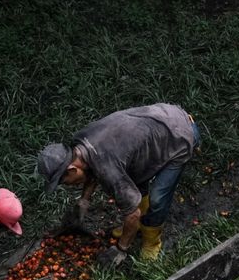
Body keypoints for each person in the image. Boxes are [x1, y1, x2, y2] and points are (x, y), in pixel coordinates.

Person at [36, 103, 200, 265]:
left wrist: (121, 249)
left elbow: (131, 213)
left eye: (63, 181)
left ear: (72, 170)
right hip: (159, 123)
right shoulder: (80, 143)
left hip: (179, 133)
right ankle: (135, 228)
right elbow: (91, 168)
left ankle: (151, 241)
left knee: (158, 198)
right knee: (133, 181)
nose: (67, 185)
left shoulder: (108, 168)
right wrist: (84, 200)